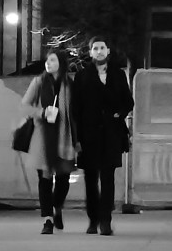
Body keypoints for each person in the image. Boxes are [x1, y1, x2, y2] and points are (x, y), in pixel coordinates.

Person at [70, 36, 134, 235]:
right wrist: (77, 138)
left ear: (108, 51)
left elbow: (128, 102)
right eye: (95, 48)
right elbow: (75, 108)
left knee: (108, 178)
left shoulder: (118, 75)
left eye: (102, 48)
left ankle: (106, 219)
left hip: (111, 134)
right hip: (88, 135)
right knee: (90, 179)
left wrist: (118, 114)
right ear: (90, 52)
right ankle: (93, 219)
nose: (99, 51)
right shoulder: (82, 77)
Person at [18, 49, 77, 233]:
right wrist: (42, 113)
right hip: (42, 136)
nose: (48, 63)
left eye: (52, 60)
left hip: (64, 135)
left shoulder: (69, 84)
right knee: (44, 179)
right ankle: (48, 219)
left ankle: (57, 207)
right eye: (47, 60)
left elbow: (76, 112)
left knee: (63, 178)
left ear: (61, 62)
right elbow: (25, 106)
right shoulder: (39, 81)